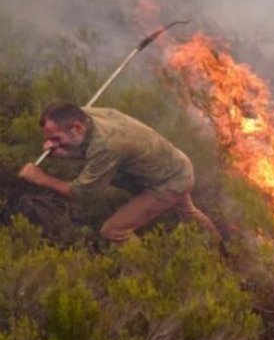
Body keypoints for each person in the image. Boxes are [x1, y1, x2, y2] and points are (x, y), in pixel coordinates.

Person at [18, 102, 221, 245]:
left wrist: (40, 178)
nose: (52, 143)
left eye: (56, 138)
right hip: (176, 165)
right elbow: (87, 147)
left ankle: (148, 278)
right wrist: (64, 149)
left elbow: (82, 192)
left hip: (167, 183)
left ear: (77, 127)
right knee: (187, 210)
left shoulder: (107, 145)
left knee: (114, 231)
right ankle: (220, 246)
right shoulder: (87, 116)